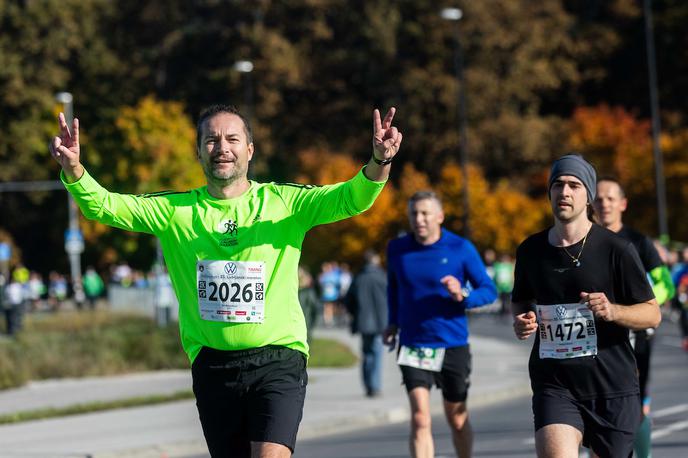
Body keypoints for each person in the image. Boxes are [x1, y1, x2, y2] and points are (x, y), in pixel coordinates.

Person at [49, 104, 402, 458]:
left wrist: (379, 161)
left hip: (278, 358)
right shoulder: (175, 211)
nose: (222, 148)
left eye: (232, 139)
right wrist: (75, 170)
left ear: (249, 149)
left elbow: (349, 199)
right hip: (213, 365)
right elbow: (106, 207)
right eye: (211, 140)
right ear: (199, 151)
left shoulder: (286, 202)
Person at [512, 154, 661, 458]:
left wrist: (613, 310)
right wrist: (522, 321)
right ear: (549, 193)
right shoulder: (531, 251)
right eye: (558, 185)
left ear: (588, 196)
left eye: (574, 185)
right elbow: (521, 301)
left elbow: (652, 313)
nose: (564, 192)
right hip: (555, 384)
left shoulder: (616, 249)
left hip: (611, 386)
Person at [385, 191, 497, 458]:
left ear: (440, 216)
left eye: (425, 213)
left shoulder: (460, 248)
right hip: (413, 344)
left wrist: (463, 295)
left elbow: (488, 290)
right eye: (414, 213)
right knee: (421, 418)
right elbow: (393, 289)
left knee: (457, 419)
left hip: (452, 344)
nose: (419, 219)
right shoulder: (397, 249)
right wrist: (391, 323)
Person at [593, 177, 675, 458]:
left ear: (622, 204)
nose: (604, 204)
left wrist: (641, 307)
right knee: (596, 408)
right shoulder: (582, 240)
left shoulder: (638, 242)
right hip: (594, 338)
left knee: (635, 403)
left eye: (610, 198)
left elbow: (665, 284)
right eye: (599, 198)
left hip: (635, 336)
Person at [345, 250, 388, 398]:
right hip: (380, 321)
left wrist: (355, 314)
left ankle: (369, 385)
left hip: (363, 322)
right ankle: (374, 386)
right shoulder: (383, 277)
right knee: (376, 354)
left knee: (367, 353)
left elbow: (348, 300)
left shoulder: (358, 278)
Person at [297, 266, 321, 344]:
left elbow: (316, 308)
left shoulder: (308, 293)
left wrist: (313, 322)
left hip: (306, 323)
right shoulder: (295, 292)